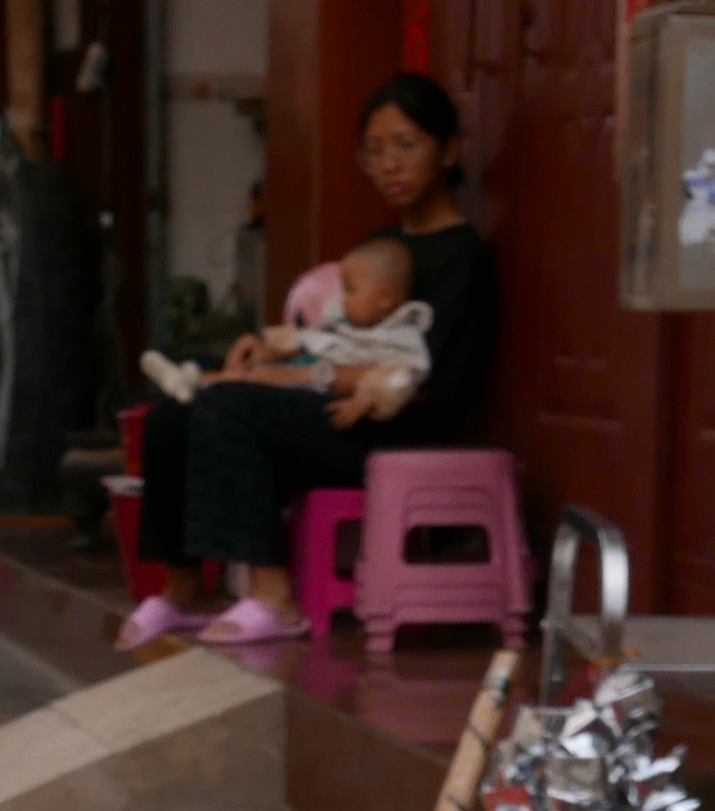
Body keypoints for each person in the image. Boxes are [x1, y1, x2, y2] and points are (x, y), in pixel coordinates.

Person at [120, 75, 495, 649]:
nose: (389, 164)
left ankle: (275, 598)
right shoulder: (380, 246)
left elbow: (426, 383)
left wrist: (299, 377)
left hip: (392, 425)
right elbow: (337, 336)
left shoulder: (465, 257)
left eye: (407, 144)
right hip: (334, 408)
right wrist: (273, 350)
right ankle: (184, 588)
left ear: (448, 150)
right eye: (374, 150)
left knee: (232, 407)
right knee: (180, 404)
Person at [139, 234, 430, 421]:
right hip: (311, 371)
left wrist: (364, 403)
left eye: (351, 290)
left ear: (383, 300)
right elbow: (310, 338)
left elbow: (400, 381)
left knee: (257, 379)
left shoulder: (400, 338)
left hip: (328, 396)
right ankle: (189, 378)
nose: (343, 299)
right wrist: (275, 348)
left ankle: (195, 383)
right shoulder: (350, 322)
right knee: (245, 372)